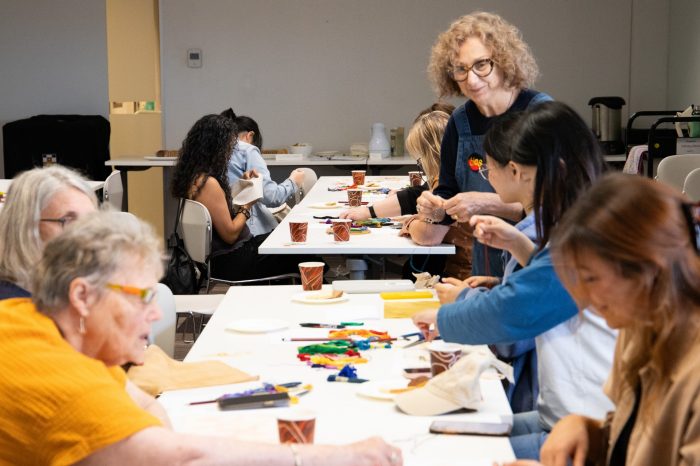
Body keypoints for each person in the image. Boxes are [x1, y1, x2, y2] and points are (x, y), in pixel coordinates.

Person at [0, 210, 402, 465]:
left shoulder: (34, 324)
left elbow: (144, 408)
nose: (155, 313)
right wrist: (333, 456)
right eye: (141, 297)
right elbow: (178, 455)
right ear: (82, 297)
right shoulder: (55, 374)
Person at [411, 102, 616, 460]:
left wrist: (445, 313)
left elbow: (509, 323)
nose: (486, 174)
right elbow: (551, 285)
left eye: (489, 166)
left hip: (589, 434)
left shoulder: (579, 241)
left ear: (519, 171)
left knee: (438, 451)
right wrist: (519, 249)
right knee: (438, 433)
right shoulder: (582, 224)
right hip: (565, 417)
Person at [504, 175, 700, 466]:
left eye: (592, 278)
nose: (584, 297)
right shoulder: (641, 329)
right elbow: (631, 441)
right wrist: (590, 430)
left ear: (647, 269)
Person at [415, 11, 552, 279]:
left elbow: (558, 207)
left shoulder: (542, 115)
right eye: (461, 69)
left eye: (482, 65)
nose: (472, 79)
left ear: (505, 61)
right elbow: (447, 191)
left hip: (541, 263)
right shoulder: (460, 121)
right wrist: (435, 209)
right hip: (484, 262)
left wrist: (486, 203)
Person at [171, 114, 316, 281]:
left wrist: (245, 187)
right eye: (229, 146)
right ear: (216, 147)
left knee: (289, 241)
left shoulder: (194, 178)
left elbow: (220, 212)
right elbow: (230, 234)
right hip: (234, 260)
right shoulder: (208, 183)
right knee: (303, 253)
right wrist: (248, 205)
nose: (229, 152)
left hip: (226, 257)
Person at [340, 105, 471, 280]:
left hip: (463, 275)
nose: (421, 165)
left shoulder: (444, 180)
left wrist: (411, 223)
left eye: (419, 159)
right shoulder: (469, 171)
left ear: (431, 154)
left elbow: (429, 235)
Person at [0, 165, 98, 299]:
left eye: (90, 221)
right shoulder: (13, 310)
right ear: (25, 226)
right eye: (69, 221)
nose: (87, 234)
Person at [222, 109, 305, 236]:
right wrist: (294, 181)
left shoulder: (211, 153)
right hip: (249, 233)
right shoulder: (247, 150)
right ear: (250, 136)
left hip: (221, 231)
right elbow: (271, 197)